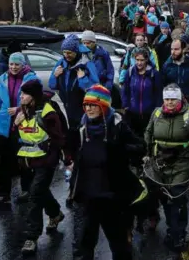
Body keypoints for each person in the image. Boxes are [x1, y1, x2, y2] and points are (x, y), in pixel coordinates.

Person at [69, 85, 147, 260]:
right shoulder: (81, 127)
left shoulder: (117, 126)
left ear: (103, 106)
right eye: (86, 105)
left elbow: (140, 147)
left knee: (119, 244)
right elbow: (75, 156)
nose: (88, 109)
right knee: (83, 244)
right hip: (86, 196)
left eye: (93, 105)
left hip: (112, 196)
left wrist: (119, 149)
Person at [144, 84, 189, 255]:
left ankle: (179, 234)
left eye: (173, 99)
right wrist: (148, 154)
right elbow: (148, 133)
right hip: (160, 161)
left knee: (177, 195)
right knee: (164, 197)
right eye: (167, 99)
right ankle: (172, 227)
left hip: (182, 162)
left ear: (179, 99)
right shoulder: (156, 113)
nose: (170, 103)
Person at [15, 79, 67, 255]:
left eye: (25, 94)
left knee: (35, 196)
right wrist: (15, 123)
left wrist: (53, 159)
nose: (21, 96)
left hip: (45, 162)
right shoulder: (22, 110)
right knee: (40, 192)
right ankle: (56, 214)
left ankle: (32, 237)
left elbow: (58, 139)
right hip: (28, 161)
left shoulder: (48, 113)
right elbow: (15, 136)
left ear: (34, 96)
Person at [0, 52, 38, 204]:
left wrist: (19, 109)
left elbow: (35, 100)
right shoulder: (2, 78)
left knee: (24, 158)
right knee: (4, 160)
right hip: (4, 125)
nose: (13, 67)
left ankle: (27, 190)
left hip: (23, 124)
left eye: (17, 64)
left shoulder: (31, 79)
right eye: (11, 64)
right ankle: (3, 193)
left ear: (23, 64)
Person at [48, 35, 99, 161]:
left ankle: (84, 161)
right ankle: (71, 162)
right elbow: (52, 85)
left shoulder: (86, 64)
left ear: (76, 51)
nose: (66, 55)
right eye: (64, 52)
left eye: (69, 52)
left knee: (82, 137)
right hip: (66, 107)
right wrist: (55, 75)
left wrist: (82, 79)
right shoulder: (61, 63)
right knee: (68, 137)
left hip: (82, 108)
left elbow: (94, 88)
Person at [122, 48, 162, 138]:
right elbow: (125, 90)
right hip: (132, 113)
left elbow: (158, 93)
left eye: (142, 60)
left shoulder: (154, 74)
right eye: (137, 60)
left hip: (149, 113)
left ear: (146, 60)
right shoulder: (130, 72)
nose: (139, 63)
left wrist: (157, 110)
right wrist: (126, 105)